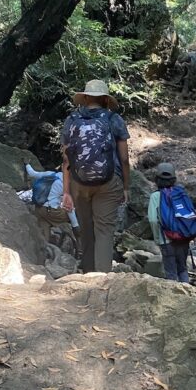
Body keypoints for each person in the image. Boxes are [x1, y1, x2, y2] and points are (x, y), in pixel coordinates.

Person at [61, 79, 131, 273]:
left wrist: (66, 192)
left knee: (86, 229)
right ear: (106, 100)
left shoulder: (72, 120)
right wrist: (126, 186)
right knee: (104, 231)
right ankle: (101, 280)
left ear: (84, 98)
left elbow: (66, 160)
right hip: (109, 182)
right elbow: (124, 158)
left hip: (78, 182)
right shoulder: (114, 119)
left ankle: (88, 275)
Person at [147, 162, 194, 284]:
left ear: (157, 179)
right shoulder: (180, 193)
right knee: (183, 269)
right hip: (183, 237)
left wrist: (158, 239)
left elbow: (153, 219)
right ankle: (189, 297)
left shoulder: (155, 196)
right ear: (174, 179)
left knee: (171, 273)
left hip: (166, 239)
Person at [24, 164, 79, 236]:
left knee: (44, 234)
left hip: (38, 208)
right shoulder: (66, 185)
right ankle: (78, 234)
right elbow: (69, 208)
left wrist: (27, 164)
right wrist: (75, 225)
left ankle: (45, 244)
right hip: (51, 211)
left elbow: (33, 173)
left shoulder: (50, 174)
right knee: (78, 213)